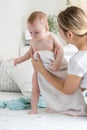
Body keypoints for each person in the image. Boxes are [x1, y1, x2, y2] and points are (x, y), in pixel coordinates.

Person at [31, 6, 87, 116]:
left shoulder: (78, 60)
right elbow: (83, 86)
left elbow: (67, 90)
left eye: (59, 30)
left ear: (69, 34)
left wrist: (41, 69)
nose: (58, 34)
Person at [14, 11, 66, 114]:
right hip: (38, 71)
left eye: (36, 32)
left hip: (51, 70)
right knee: (35, 89)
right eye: (30, 32)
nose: (33, 35)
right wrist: (20, 59)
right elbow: (29, 54)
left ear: (46, 28)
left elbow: (61, 50)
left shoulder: (51, 37)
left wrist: (57, 62)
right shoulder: (33, 41)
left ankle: (56, 107)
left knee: (53, 89)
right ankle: (34, 109)